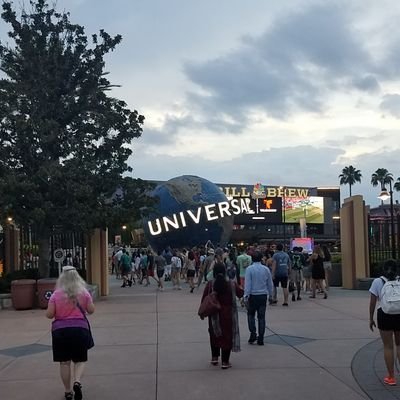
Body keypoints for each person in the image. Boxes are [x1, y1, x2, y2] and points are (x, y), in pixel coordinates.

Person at [46, 266, 95, 400]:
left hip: (60, 331)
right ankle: (77, 382)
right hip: (80, 330)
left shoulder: (56, 294)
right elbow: (91, 310)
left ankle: (68, 391)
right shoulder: (84, 292)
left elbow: (49, 314)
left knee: (64, 362)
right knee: (80, 360)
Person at [200, 263, 244, 369]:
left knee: (214, 335)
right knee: (227, 337)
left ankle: (214, 358)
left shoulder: (210, 284)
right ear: (225, 272)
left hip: (214, 315)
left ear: (214, 272)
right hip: (228, 315)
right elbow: (241, 293)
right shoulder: (231, 284)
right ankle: (225, 362)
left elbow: (204, 300)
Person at [369, 260, 400, 386]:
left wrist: (371, 319)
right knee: (399, 345)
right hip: (399, 314)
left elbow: (372, 302)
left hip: (384, 314)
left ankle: (391, 377)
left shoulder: (377, 281)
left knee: (388, 346)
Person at [244, 251, 274, 346]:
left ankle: (253, 334)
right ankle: (261, 338)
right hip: (262, 295)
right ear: (261, 258)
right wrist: (271, 294)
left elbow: (247, 284)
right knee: (261, 317)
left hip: (252, 295)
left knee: (250, 315)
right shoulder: (265, 269)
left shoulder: (249, 269)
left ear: (252, 259)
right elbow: (270, 283)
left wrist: (246, 296)